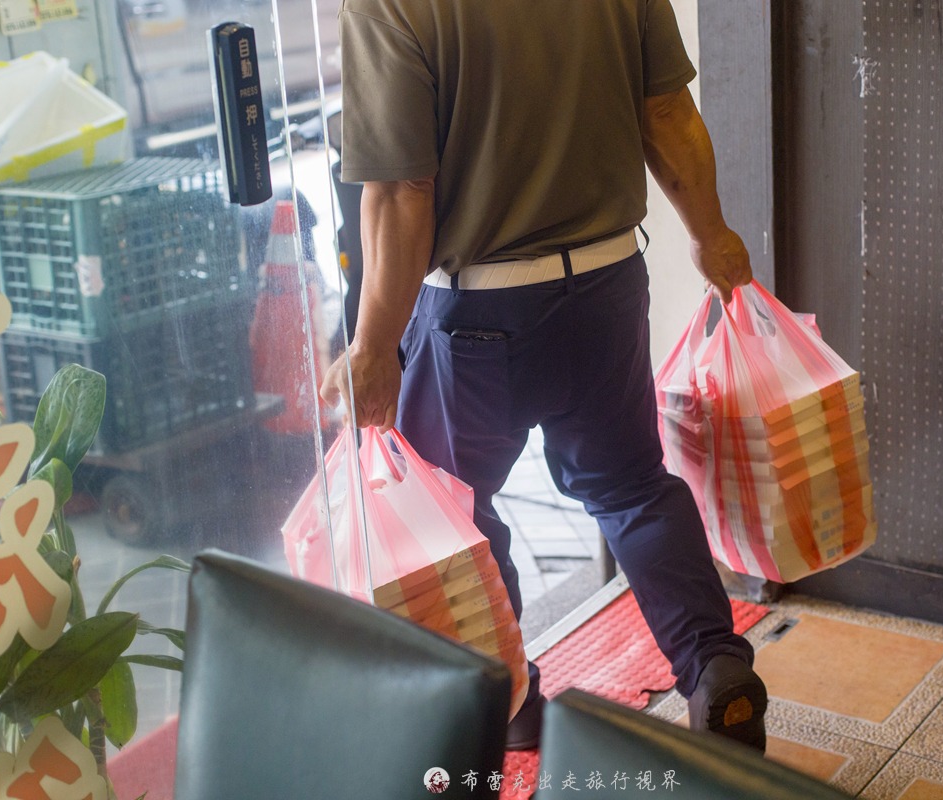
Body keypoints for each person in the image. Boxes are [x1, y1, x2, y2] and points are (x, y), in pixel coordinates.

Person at [321, 0, 766, 752]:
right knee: (631, 486)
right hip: (606, 283)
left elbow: (401, 189)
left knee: (453, 514)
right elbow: (666, 111)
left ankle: (509, 703)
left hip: (476, 311)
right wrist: (710, 233)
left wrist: (373, 346)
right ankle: (715, 667)